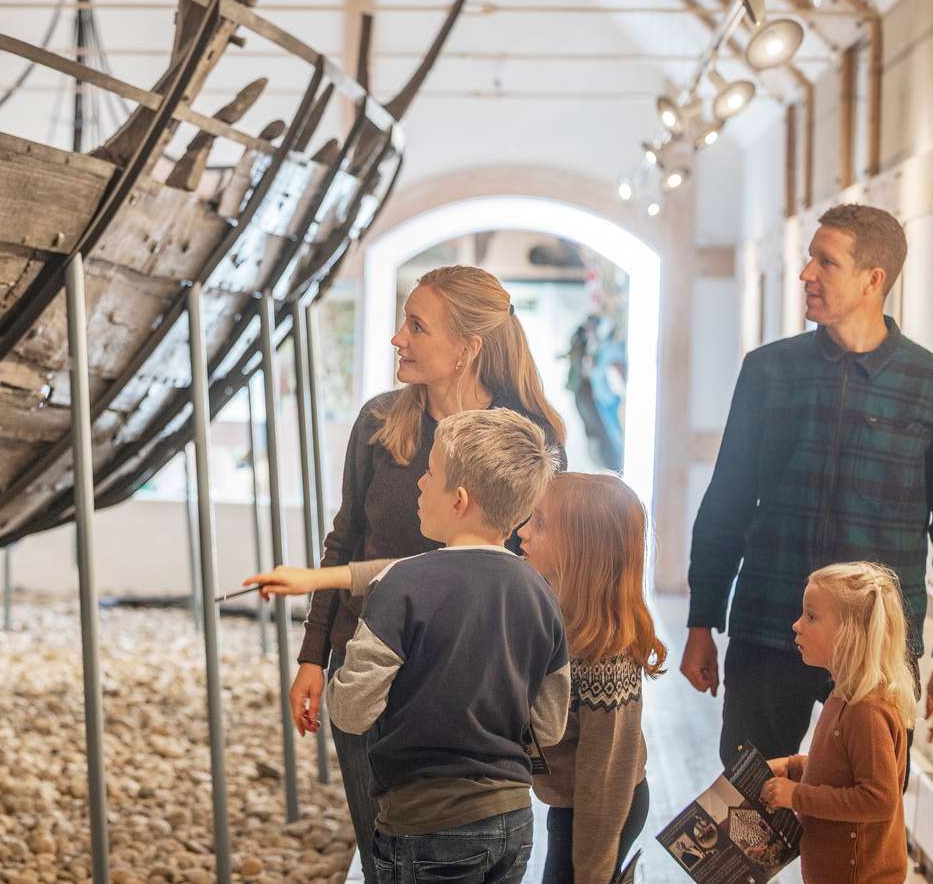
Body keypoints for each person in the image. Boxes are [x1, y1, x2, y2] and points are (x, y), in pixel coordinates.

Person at [294, 266, 568, 882]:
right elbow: (344, 541)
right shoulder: (377, 422)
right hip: (370, 668)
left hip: (473, 689)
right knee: (383, 861)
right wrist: (313, 657)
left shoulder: (530, 440)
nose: (397, 338)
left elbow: (540, 565)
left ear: (469, 347)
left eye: (417, 326)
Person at [252, 408, 569, 884]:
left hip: (426, 822)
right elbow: (550, 723)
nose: (419, 483)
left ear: (458, 500)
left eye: (430, 473)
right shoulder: (539, 591)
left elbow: (352, 712)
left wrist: (339, 684)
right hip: (512, 820)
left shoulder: (403, 583)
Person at [683, 203, 933, 765]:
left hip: (880, 642)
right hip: (771, 623)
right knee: (747, 817)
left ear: (874, 279)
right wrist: (703, 619)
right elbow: (726, 501)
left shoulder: (928, 384)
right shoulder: (768, 370)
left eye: (826, 262)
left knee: (863, 827)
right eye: (807, 259)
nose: (806, 275)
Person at [516, 474, 664, 884]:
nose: (523, 531)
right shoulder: (553, 609)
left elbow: (606, 780)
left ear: (581, 549)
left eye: (540, 523)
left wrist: (593, 873)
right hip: (570, 799)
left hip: (598, 809)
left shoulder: (605, 660)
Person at [760, 562, 912, 884]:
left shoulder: (865, 711)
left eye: (811, 617)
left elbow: (878, 799)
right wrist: (795, 766)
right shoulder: (844, 696)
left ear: (851, 631)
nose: (796, 625)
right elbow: (841, 770)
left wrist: (796, 795)